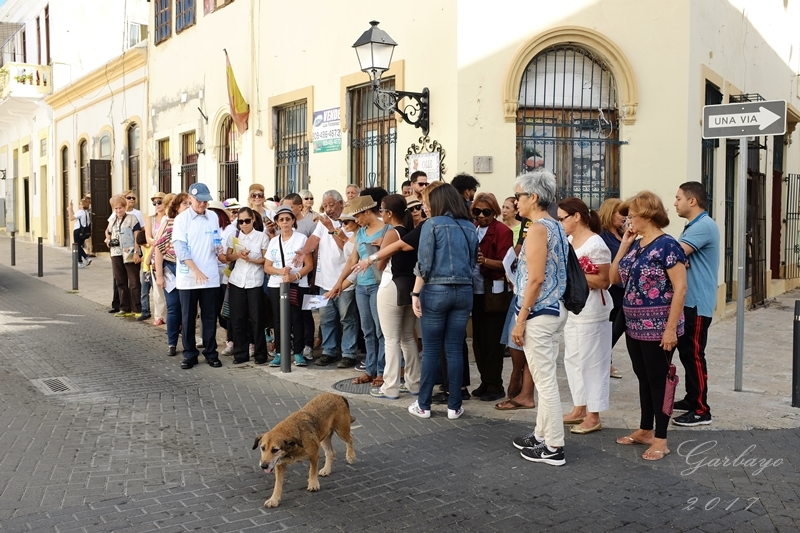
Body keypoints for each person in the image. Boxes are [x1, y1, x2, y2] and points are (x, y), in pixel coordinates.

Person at [610, 191, 687, 461]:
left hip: (658, 327)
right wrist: (623, 246)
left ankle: (661, 439)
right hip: (634, 325)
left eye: (631, 215)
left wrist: (670, 329)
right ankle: (645, 429)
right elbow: (613, 278)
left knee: (658, 380)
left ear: (647, 215)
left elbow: (680, 288)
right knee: (643, 377)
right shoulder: (636, 245)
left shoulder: (668, 245)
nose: (628, 221)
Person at [510, 169, 569, 467]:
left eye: (518, 196)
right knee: (546, 378)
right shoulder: (555, 225)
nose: (516, 201)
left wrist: (521, 319)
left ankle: (554, 445)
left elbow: (535, 279)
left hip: (539, 312)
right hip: (553, 309)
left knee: (545, 384)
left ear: (533, 197)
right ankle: (541, 435)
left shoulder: (537, 229)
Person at [406, 184, 476, 420]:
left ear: (438, 202)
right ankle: (454, 406)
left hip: (436, 290)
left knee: (432, 350)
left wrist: (415, 294)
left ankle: (423, 405)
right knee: (454, 349)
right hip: (464, 290)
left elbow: (424, 264)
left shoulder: (432, 224)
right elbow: (472, 262)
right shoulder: (470, 226)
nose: (425, 207)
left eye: (427, 203)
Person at [557, 197, 613, 435]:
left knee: (593, 362)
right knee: (573, 359)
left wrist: (573, 276)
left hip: (592, 311)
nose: (560, 223)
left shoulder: (595, 244)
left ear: (577, 217)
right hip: (574, 309)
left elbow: (604, 280)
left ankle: (594, 414)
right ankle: (579, 407)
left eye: (562, 218)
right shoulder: (569, 240)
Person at [293, 190, 360, 368]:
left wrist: (331, 228)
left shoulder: (350, 222)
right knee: (326, 319)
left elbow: (347, 248)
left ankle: (349, 353)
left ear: (341, 204)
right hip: (324, 281)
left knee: (347, 319)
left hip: (345, 281)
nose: (328, 209)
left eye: (331, 205)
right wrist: (303, 252)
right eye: (325, 205)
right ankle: (328, 351)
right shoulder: (323, 222)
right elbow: (314, 239)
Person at [673, 182, 719, 426]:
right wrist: (679, 260)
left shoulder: (703, 226)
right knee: (687, 353)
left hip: (697, 303)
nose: (675, 203)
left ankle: (701, 410)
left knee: (694, 355)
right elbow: (677, 256)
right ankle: (692, 398)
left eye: (678, 198)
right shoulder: (693, 226)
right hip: (689, 302)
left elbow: (672, 254)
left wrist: (677, 259)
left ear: (692, 201)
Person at [330, 196, 388, 386]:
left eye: (357, 216)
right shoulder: (362, 232)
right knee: (368, 330)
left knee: (380, 330)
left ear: (367, 211)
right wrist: (339, 282)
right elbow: (352, 260)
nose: (356, 221)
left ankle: (382, 371)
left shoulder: (387, 229)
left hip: (379, 284)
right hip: (361, 286)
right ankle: (370, 369)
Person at [369, 194, 421, 399]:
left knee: (391, 339)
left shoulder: (392, 232)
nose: (381, 214)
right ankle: (414, 383)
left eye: (382, 210)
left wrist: (380, 248)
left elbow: (380, 265)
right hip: (410, 285)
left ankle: (390, 386)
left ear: (390, 213)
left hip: (391, 284)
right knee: (407, 337)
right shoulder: (410, 231)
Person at [171, 183, 224, 370]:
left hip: (210, 276)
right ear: (190, 199)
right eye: (199, 201)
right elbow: (180, 249)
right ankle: (189, 354)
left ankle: (211, 353)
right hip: (189, 277)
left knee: (209, 317)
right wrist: (195, 270)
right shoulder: (182, 219)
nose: (203, 204)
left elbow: (216, 238)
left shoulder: (213, 217)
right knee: (188, 317)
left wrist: (218, 248)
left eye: (205, 201)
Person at [470, 192, 513, 403]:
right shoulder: (473, 229)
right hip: (475, 292)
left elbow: (506, 263)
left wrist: (484, 261)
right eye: (477, 211)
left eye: (486, 212)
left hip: (494, 292)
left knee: (493, 341)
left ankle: (495, 384)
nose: (481, 215)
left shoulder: (502, 231)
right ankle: (486, 381)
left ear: (494, 212)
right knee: (478, 340)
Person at [264, 205, 313, 367]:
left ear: (293, 221)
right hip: (276, 285)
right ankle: (280, 352)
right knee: (278, 319)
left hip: (297, 284)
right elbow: (267, 267)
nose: (285, 222)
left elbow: (309, 265)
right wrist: (280, 271)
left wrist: (294, 276)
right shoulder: (274, 241)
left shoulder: (301, 239)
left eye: (288, 219)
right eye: (281, 219)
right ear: (277, 222)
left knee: (296, 318)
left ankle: (298, 352)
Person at [225, 206, 269, 365]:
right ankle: (240, 353)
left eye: (247, 221)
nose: (244, 224)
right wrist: (238, 255)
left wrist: (251, 260)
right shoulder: (234, 236)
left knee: (257, 319)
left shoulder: (262, 237)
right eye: (241, 221)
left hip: (254, 281)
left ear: (253, 220)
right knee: (238, 319)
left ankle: (260, 353)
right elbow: (227, 257)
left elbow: (265, 259)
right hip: (237, 280)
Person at [154, 193, 191, 356]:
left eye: (190, 203)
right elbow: (159, 248)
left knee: (188, 309)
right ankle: (172, 343)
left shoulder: (195, 223)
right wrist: (159, 275)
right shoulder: (170, 223)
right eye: (184, 204)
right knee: (173, 307)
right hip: (172, 268)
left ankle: (188, 342)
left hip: (189, 269)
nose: (188, 206)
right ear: (176, 207)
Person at [598, 197, 626, 378]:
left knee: (618, 326)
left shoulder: (622, 234)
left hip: (625, 287)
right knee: (610, 325)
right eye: (620, 213)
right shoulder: (602, 235)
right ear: (610, 213)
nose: (624, 217)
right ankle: (604, 361)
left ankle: (605, 358)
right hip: (611, 287)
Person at [106, 195, 143, 318]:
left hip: (130, 253)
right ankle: (124, 308)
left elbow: (137, 236)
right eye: (116, 208)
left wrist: (136, 252)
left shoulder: (132, 218)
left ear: (124, 207)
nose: (118, 210)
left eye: (120, 208)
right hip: (116, 253)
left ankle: (137, 308)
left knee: (134, 282)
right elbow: (108, 232)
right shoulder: (112, 221)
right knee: (120, 281)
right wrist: (108, 239)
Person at [142, 192, 168, 324]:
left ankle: (170, 316)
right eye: (154, 203)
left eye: (159, 202)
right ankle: (159, 316)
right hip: (155, 254)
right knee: (157, 289)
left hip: (168, 254)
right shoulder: (150, 219)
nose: (157, 205)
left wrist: (158, 241)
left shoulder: (170, 218)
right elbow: (148, 238)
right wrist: (159, 241)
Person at [68, 198, 92, 267]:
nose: (79, 205)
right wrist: (71, 208)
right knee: (78, 247)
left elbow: (71, 218)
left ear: (83, 205)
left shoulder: (81, 212)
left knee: (77, 246)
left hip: (78, 231)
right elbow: (75, 216)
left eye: (80, 204)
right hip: (84, 231)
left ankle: (86, 258)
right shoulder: (86, 212)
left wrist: (69, 209)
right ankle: (80, 262)